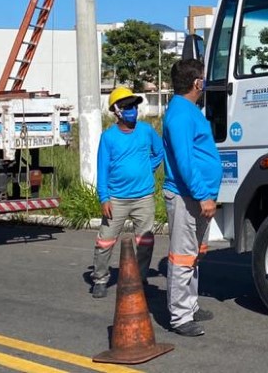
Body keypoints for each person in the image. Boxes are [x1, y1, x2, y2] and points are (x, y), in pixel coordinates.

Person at [161, 59, 222, 337]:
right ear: (197, 83)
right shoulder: (181, 114)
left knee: (193, 256)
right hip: (188, 197)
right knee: (183, 257)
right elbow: (185, 161)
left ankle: (190, 305)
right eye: (203, 79)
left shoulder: (188, 110)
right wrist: (202, 195)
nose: (205, 82)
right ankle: (180, 317)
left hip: (197, 196)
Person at [90, 86, 164, 299]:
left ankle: (139, 278)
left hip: (144, 197)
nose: (132, 109)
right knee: (105, 241)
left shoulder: (147, 131)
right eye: (126, 106)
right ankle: (100, 279)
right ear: (116, 110)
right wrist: (104, 198)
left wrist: (147, 169)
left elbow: (159, 152)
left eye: (133, 105)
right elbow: (102, 169)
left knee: (145, 241)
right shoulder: (108, 137)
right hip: (116, 199)